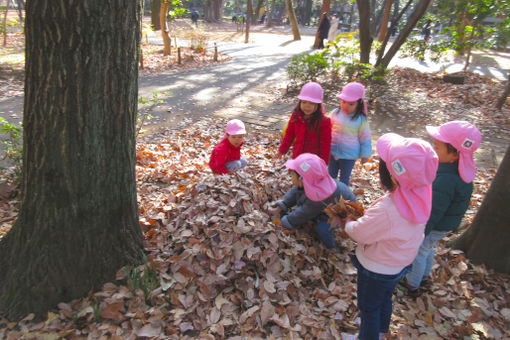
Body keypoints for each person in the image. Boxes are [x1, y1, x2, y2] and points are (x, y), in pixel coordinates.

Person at [337, 133, 438, 340]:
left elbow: (361, 233)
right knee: (384, 299)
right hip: (399, 263)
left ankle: (368, 335)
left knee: (368, 307)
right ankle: (380, 330)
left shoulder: (389, 209)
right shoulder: (421, 193)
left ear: (393, 175)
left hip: (377, 267)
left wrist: (348, 223)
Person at [400, 121, 482, 296]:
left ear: (454, 155)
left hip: (436, 223)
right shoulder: (456, 170)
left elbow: (434, 210)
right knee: (427, 248)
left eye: (437, 147)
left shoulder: (446, 180)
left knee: (419, 249)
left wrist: (422, 230)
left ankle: (411, 284)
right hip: (446, 223)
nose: (433, 149)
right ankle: (424, 276)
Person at [269, 153, 356, 249]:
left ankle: (332, 247)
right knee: (310, 208)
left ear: (302, 179)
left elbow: (304, 213)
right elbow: (295, 191)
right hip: (326, 206)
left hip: (342, 214)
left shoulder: (320, 196)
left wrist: (285, 222)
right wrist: (281, 206)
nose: (291, 178)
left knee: (323, 228)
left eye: (292, 175)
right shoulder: (312, 181)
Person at [328, 82, 372, 186]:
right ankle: (330, 194)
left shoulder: (361, 119)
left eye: (351, 104)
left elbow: (365, 138)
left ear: (359, 103)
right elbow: (327, 129)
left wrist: (365, 155)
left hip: (349, 155)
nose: (346, 106)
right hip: (333, 151)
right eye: (343, 102)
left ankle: (343, 196)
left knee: (344, 177)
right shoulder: (335, 113)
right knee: (330, 175)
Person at [277, 82, 332, 164]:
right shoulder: (296, 116)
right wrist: (282, 150)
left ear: (318, 105)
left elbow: (325, 144)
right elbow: (289, 134)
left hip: (313, 160)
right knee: (295, 174)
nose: (307, 106)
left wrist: (324, 163)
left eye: (311, 103)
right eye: (304, 102)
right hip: (297, 156)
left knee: (308, 177)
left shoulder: (324, 121)